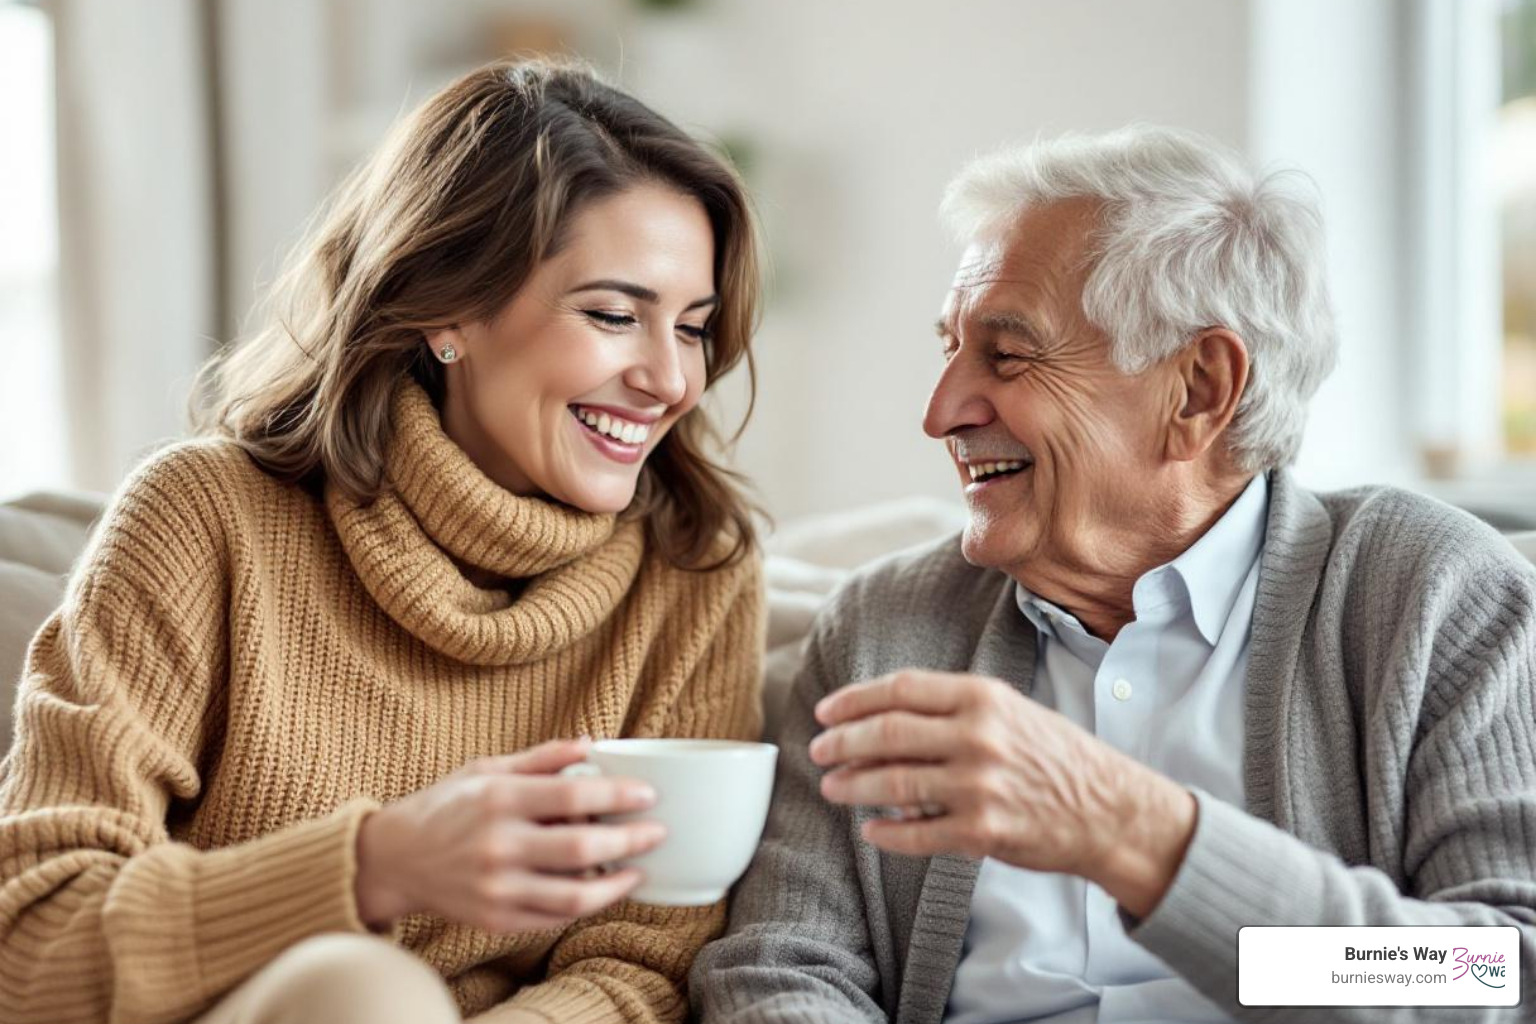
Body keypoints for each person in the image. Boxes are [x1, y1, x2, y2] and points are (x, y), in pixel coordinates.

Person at [692, 126, 1536, 1024]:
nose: (942, 412)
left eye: (1008, 356)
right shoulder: (888, 624)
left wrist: (1139, 836)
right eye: (950, 347)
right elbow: (778, 967)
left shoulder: (1427, 594)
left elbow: (1494, 976)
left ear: (1199, 388)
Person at [0, 58, 765, 1024]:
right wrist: (376, 866)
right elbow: (31, 942)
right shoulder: (204, 517)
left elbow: (647, 966)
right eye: (614, 315)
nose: (670, 380)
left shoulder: (695, 569)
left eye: (693, 329)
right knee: (367, 991)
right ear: (449, 307)